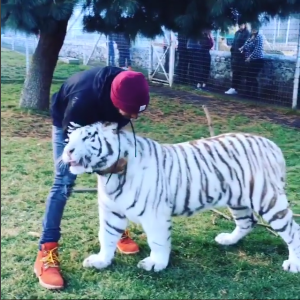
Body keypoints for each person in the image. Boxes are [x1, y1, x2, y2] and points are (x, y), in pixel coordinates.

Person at [34, 66, 150, 290]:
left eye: (138, 110)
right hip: (70, 121)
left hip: (105, 116)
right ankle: (46, 253)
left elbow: (120, 128)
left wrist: (113, 163)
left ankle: (115, 230)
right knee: (64, 182)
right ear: (115, 99)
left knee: (117, 177)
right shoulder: (82, 101)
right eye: (130, 111)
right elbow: (75, 153)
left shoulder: (132, 87)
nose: (134, 116)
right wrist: (102, 165)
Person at [225, 22, 250, 95]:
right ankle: (233, 88)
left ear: (245, 24)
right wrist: (232, 51)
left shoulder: (247, 33)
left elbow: (246, 44)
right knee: (235, 72)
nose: (240, 26)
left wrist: (241, 52)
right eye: (239, 24)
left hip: (241, 57)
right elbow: (234, 43)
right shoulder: (237, 33)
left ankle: (235, 88)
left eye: (242, 24)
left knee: (239, 73)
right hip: (235, 56)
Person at [240, 25, 264, 98]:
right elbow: (246, 44)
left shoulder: (259, 37)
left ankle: (254, 94)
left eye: (255, 28)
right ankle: (247, 93)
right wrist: (242, 48)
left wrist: (250, 57)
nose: (253, 29)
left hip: (257, 60)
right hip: (250, 60)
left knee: (253, 76)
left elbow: (257, 49)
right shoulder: (251, 36)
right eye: (253, 28)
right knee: (248, 76)